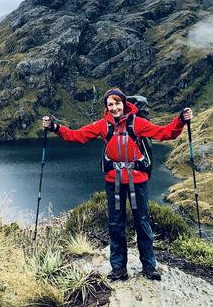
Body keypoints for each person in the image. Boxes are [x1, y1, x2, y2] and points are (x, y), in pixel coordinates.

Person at [42, 88, 193, 281]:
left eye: (117, 103)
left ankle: (149, 267)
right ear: (106, 107)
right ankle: (119, 269)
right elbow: (77, 136)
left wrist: (180, 120)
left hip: (137, 181)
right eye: (110, 105)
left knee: (142, 222)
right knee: (115, 224)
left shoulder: (137, 123)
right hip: (114, 182)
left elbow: (165, 133)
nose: (114, 108)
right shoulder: (103, 125)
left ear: (124, 103)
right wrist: (55, 127)